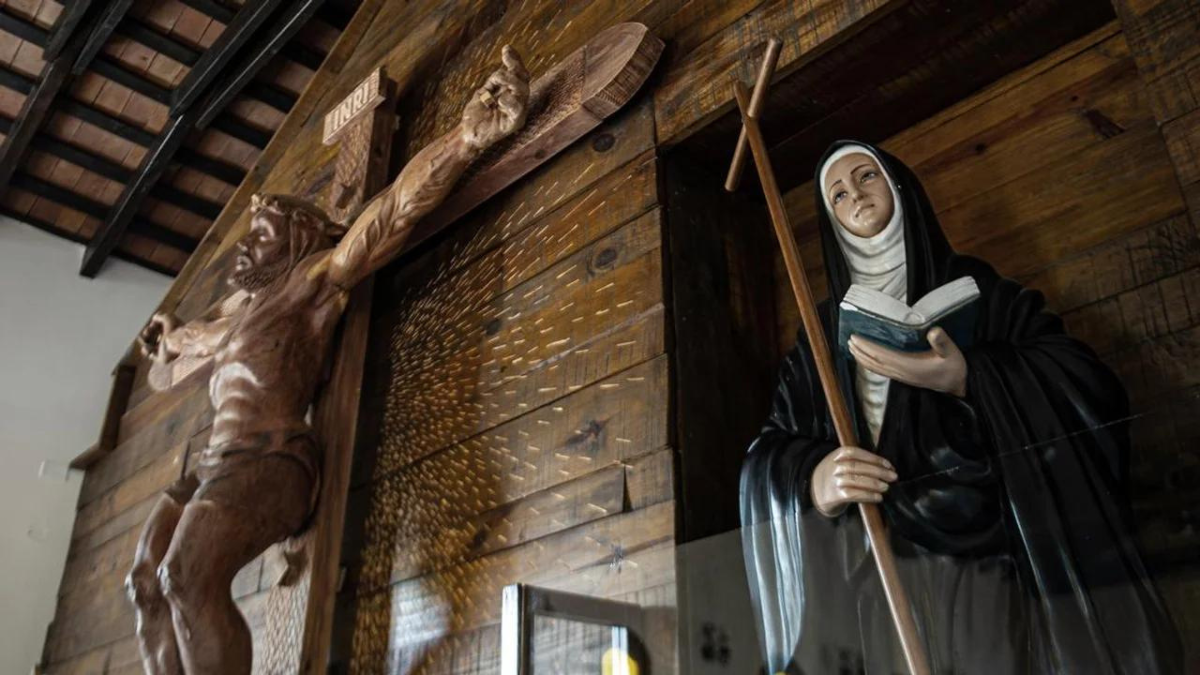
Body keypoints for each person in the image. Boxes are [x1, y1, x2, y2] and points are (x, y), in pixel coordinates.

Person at [124, 47, 530, 675]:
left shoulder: (314, 281)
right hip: (213, 467)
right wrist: (170, 333)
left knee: (184, 576)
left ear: (297, 240)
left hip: (271, 458)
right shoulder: (242, 318)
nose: (248, 245)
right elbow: (197, 342)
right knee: (144, 584)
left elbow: (393, 209)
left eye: (262, 233)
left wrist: (464, 140)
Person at [739, 140, 1182, 674]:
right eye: (837, 193)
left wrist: (971, 377)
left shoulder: (979, 289)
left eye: (866, 177)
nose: (854, 195)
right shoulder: (818, 335)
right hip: (878, 559)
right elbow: (767, 453)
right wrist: (817, 481)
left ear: (899, 186)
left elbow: (1086, 384)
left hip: (983, 551)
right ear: (830, 218)